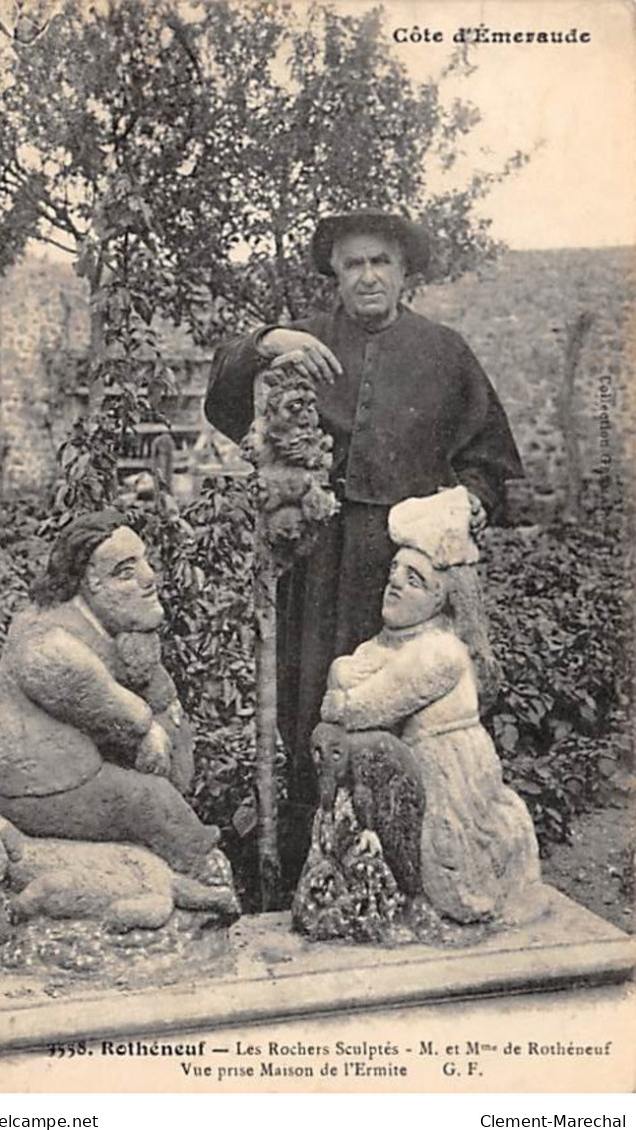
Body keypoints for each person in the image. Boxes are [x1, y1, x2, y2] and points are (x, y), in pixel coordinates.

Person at [205, 210, 524, 880]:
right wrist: (269, 338)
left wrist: (463, 504)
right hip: (316, 557)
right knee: (311, 699)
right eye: (353, 264)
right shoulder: (306, 342)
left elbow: (488, 465)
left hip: (401, 566)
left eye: (381, 261)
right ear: (335, 275)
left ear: (404, 272)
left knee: (400, 705)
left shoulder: (444, 352)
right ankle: (304, 864)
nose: (368, 276)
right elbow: (223, 395)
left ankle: (406, 864)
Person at [317, 487, 548, 926]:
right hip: (414, 767)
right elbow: (350, 674)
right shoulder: (402, 641)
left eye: (415, 579)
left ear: (442, 597)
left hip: (448, 770)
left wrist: (342, 695)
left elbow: (363, 704)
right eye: (395, 571)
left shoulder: (439, 652)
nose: (396, 583)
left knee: (445, 865)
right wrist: (345, 686)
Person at [0, 511, 223, 882]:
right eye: (126, 572)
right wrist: (148, 727)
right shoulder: (46, 638)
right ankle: (201, 872)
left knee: (154, 785)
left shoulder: (105, 626)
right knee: (147, 801)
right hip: (39, 784)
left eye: (144, 560)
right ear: (91, 585)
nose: (149, 577)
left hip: (76, 767)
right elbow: (103, 702)